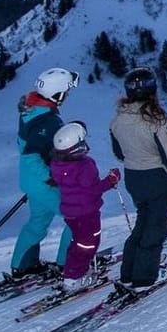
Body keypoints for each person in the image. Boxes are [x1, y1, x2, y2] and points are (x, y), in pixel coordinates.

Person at [109, 67, 167, 294]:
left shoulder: (118, 119)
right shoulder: (155, 121)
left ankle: (128, 274)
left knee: (142, 223)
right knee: (155, 227)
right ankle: (145, 277)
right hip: (157, 179)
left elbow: (119, 153)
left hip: (134, 178)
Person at [9, 67, 78, 282]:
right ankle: (69, 267)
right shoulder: (47, 121)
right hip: (45, 182)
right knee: (79, 218)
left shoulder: (31, 110)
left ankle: (22, 266)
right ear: (56, 94)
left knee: (38, 221)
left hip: (31, 181)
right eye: (66, 91)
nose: (67, 95)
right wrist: (50, 176)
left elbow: (25, 146)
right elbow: (31, 155)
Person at [48, 121, 120, 292]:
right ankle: (74, 278)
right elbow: (93, 189)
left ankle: (73, 271)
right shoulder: (84, 165)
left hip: (71, 213)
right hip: (87, 212)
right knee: (88, 244)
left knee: (78, 242)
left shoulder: (57, 164)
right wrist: (111, 180)